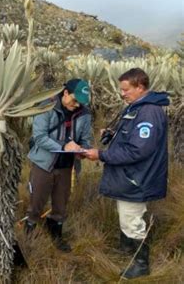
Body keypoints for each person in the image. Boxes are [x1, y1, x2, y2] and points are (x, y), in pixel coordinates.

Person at [84, 68, 169, 279]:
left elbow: (137, 149)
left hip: (138, 178)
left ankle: (141, 265)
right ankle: (128, 249)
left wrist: (101, 155)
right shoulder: (136, 107)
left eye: (126, 89)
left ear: (140, 87)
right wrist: (112, 134)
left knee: (131, 219)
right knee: (126, 214)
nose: (122, 93)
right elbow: (131, 137)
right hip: (130, 176)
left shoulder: (148, 112)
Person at [24, 78, 92, 252]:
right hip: (44, 164)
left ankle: (56, 235)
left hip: (66, 167)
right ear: (66, 93)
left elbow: (84, 139)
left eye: (81, 103)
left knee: (61, 204)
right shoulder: (46, 107)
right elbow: (39, 137)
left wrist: (83, 150)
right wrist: (63, 146)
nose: (77, 105)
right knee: (36, 202)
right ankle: (29, 235)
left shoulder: (84, 114)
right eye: (74, 100)